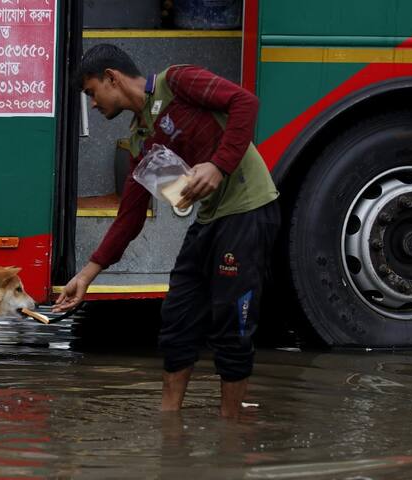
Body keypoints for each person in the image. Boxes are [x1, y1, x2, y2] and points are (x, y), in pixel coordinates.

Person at [52, 44, 280, 420]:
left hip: (248, 210)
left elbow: (245, 103)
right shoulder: (141, 140)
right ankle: (169, 423)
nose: (92, 104)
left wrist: (219, 166)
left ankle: (232, 430)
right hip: (209, 220)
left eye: (92, 92)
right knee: (177, 318)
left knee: (231, 325)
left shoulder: (178, 81)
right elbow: (130, 216)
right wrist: (87, 275)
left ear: (112, 77)